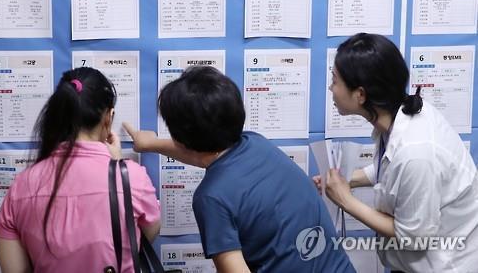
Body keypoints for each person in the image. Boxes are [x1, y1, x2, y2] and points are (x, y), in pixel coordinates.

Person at [123, 66, 355, 273]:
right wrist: (151, 144)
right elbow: (205, 153)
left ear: (181, 136)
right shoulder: (255, 143)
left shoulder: (211, 197)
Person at [321, 32, 478, 272]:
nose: (331, 88)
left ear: (360, 94)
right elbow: (391, 169)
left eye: (335, 80)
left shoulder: (416, 152)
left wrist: (346, 201)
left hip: (445, 265)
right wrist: (349, 181)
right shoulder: (398, 118)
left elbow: (414, 238)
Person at [0, 67, 160, 273]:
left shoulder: (21, 186)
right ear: (108, 118)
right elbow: (146, 234)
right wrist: (118, 164)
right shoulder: (132, 178)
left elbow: (14, 270)